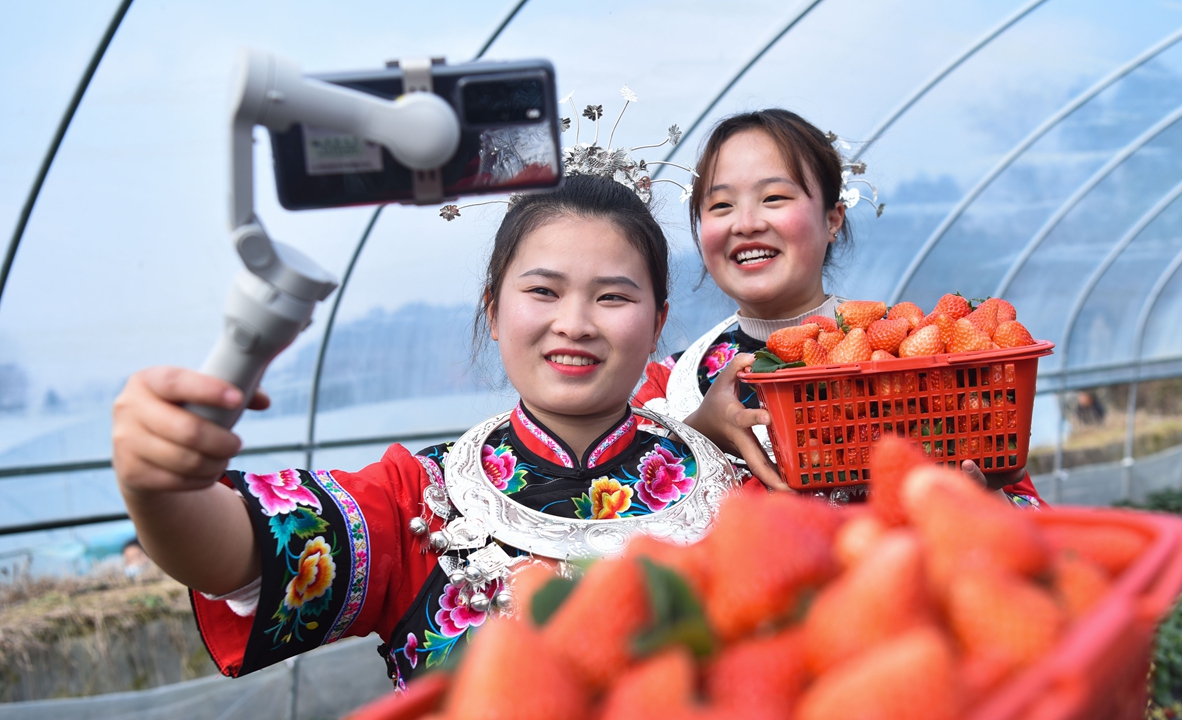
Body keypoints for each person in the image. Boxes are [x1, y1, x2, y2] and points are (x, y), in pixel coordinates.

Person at [111, 175, 732, 689]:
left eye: (612, 298)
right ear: (493, 311)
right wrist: (161, 490)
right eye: (543, 290)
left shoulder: (733, 487)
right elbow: (245, 555)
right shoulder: (421, 501)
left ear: (658, 324)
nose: (574, 323)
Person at [634, 109, 1043, 508]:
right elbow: (619, 530)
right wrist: (695, 434)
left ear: (833, 219)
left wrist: (986, 497)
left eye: (774, 197)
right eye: (721, 205)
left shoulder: (924, 352)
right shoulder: (670, 387)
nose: (746, 223)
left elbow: (1033, 523)